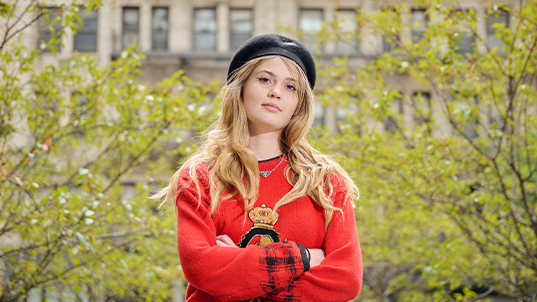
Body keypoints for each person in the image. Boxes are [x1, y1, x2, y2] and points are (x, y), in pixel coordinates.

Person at [153, 34, 362, 302]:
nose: (276, 91)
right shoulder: (200, 177)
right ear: (241, 87)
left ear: (299, 105)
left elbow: (345, 280)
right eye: (265, 79)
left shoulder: (326, 181)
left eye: (290, 87)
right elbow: (201, 268)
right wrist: (303, 257)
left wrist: (236, 274)